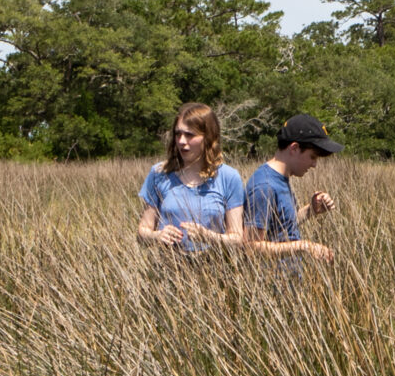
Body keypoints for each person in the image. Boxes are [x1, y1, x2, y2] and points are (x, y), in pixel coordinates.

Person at [139, 103, 245, 255]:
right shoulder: (159, 173)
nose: (182, 141)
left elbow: (237, 238)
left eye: (190, 135)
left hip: (213, 269)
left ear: (208, 137)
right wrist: (157, 235)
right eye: (178, 134)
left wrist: (208, 237)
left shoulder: (228, 177)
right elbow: (143, 230)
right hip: (168, 267)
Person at [242, 113, 342, 268]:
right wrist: (304, 247)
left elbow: (282, 228)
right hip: (271, 284)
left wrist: (311, 210)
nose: (314, 164)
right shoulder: (264, 186)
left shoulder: (281, 179)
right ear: (294, 148)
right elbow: (251, 247)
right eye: (312, 157)